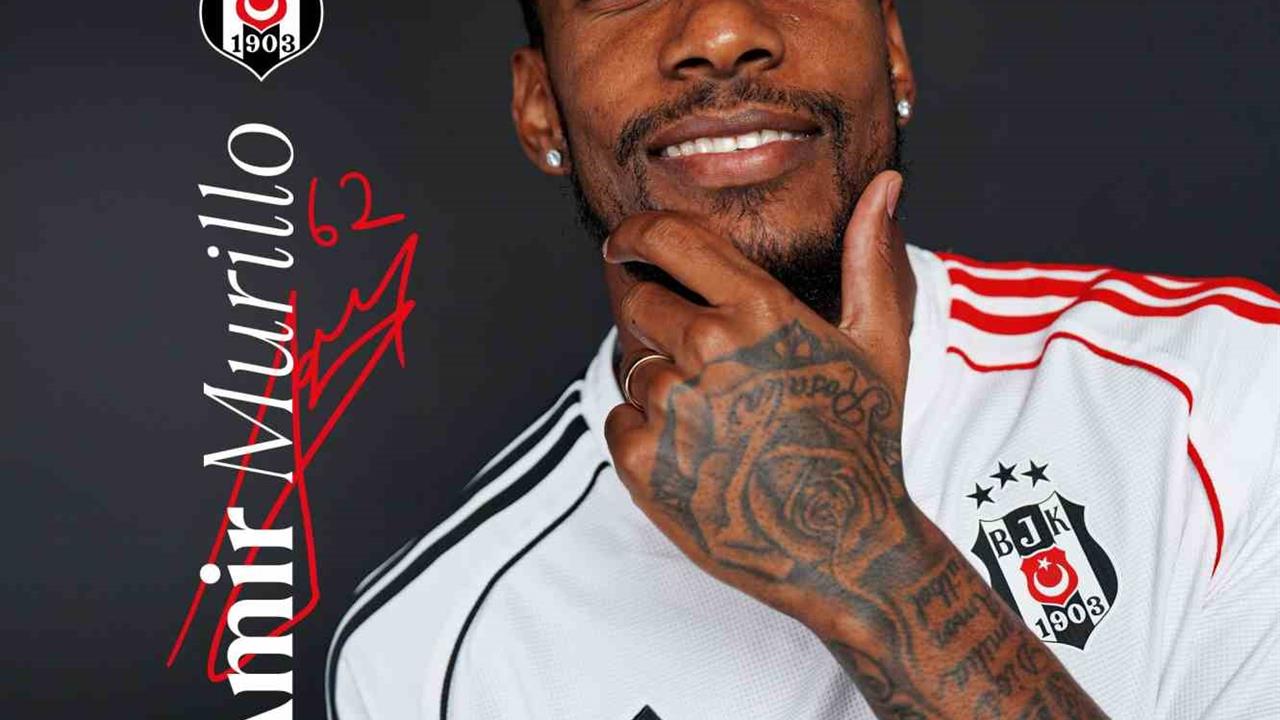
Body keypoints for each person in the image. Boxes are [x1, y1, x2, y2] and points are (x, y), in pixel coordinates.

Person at [327, 1, 1280, 717]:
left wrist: (865, 555)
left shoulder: (1231, 396)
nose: (721, 31)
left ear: (892, 49)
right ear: (541, 110)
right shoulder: (424, 651)